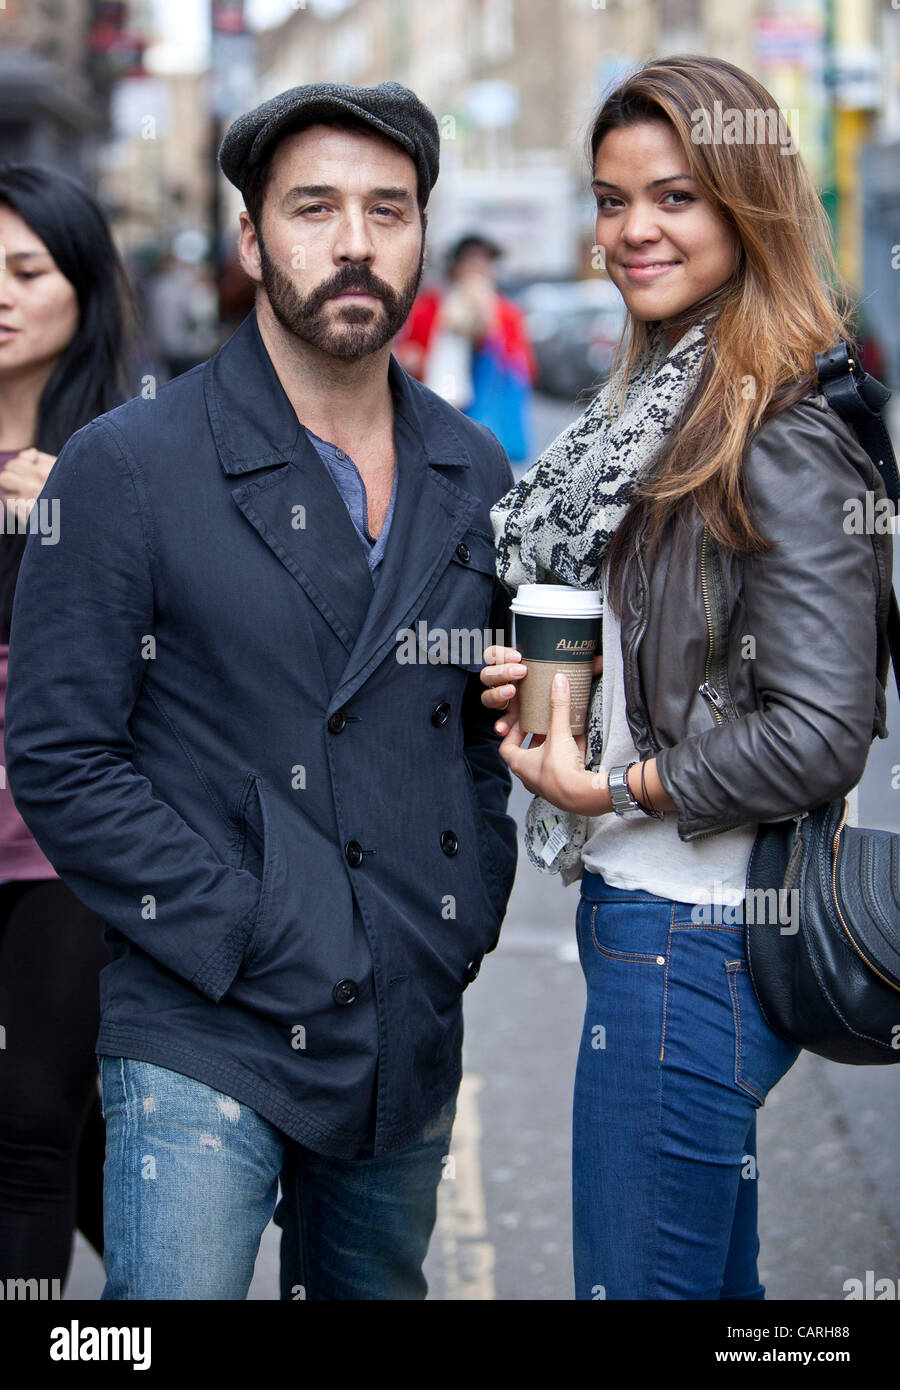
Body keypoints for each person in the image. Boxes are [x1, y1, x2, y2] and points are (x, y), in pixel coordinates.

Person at [5, 81, 518, 1300]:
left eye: (387, 211)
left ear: (422, 234)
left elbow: (479, 742)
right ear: (251, 240)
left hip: (404, 1011)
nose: (353, 242)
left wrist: (460, 913)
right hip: (199, 1016)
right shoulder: (128, 462)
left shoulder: (473, 465)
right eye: (314, 208)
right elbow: (64, 757)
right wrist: (241, 931)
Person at [480, 54, 893, 1300]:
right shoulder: (665, 403)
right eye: (612, 200)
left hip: (692, 933)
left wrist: (621, 782)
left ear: (748, 203)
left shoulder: (773, 424)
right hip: (661, 921)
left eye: (676, 197)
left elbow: (824, 727)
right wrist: (574, 692)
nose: (632, 231)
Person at [0, 162, 132, 1288]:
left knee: (31, 1122)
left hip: (65, 839)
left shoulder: (129, 454)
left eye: (25, 269)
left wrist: (72, 525)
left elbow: (188, 646)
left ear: (83, 287)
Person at [394, 233, 536, 462]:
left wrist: (488, 325)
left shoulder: (507, 313)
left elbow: (522, 368)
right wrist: (416, 359)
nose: (477, 270)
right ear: (455, 267)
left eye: (484, 263)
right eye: (470, 262)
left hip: (484, 417)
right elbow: (406, 353)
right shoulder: (429, 307)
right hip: (435, 411)